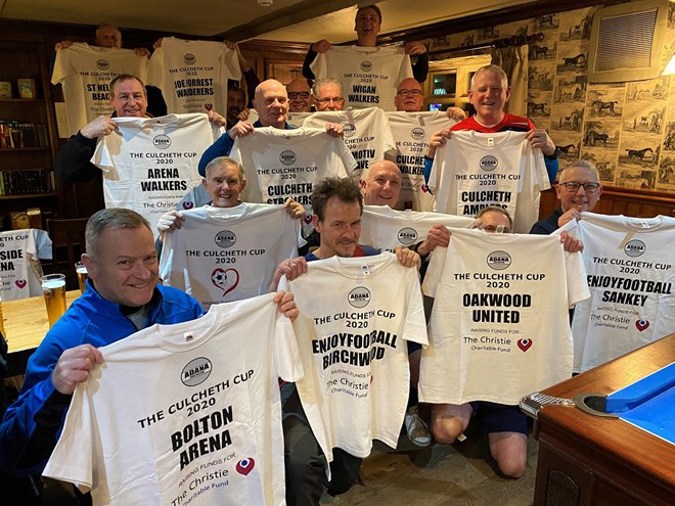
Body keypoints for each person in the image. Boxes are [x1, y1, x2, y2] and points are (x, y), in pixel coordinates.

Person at [0, 208, 298, 496]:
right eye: (125, 263)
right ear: (91, 266)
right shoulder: (67, 340)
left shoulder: (182, 306)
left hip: (199, 470)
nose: (143, 273)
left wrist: (268, 324)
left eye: (149, 258)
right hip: (130, 485)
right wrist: (54, 390)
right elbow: (14, 455)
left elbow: (231, 379)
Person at [270, 177, 420, 504]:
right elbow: (268, 335)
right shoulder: (300, 273)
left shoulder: (379, 263)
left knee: (341, 480)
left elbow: (404, 303)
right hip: (309, 387)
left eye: (355, 223)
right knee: (300, 464)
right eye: (338, 224)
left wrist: (409, 263)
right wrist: (277, 290)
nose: (349, 233)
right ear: (317, 224)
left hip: (359, 386)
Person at [427, 205, 582, 479]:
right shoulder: (454, 252)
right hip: (465, 377)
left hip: (509, 384)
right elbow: (427, 293)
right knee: (445, 432)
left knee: (514, 468)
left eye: (505, 230)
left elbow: (569, 302)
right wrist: (436, 247)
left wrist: (566, 253)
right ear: (474, 229)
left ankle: (490, 418)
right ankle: (466, 412)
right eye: (488, 228)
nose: (497, 234)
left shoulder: (537, 258)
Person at [425, 64, 559, 185]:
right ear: (471, 96)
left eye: (496, 89)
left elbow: (546, 180)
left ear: (507, 93)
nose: (488, 95)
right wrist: (431, 154)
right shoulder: (456, 133)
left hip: (512, 204)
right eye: (482, 89)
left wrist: (550, 153)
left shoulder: (524, 128)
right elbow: (434, 185)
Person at [198, 79, 342, 177]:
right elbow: (204, 169)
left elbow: (329, 169)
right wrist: (230, 136)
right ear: (256, 105)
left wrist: (331, 138)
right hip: (260, 211)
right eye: (269, 100)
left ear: (288, 104)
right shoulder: (243, 137)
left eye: (281, 100)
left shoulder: (299, 136)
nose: (277, 105)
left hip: (296, 210)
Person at [302, 5, 429, 84]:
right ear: (355, 25)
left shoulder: (394, 57)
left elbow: (418, 77)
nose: (367, 22)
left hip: (380, 118)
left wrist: (423, 54)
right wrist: (313, 49)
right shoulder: (336, 55)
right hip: (348, 118)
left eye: (372, 18)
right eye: (362, 18)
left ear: (379, 26)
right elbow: (308, 73)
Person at [530, 160, 603, 234]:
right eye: (573, 185)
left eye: (589, 186)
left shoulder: (603, 229)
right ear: (559, 191)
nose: (581, 193)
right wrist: (562, 231)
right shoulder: (541, 230)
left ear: (599, 193)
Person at [54, 23, 150, 56]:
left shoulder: (133, 57)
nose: (110, 40)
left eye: (114, 38)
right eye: (106, 37)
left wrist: (146, 57)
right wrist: (62, 52)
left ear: (120, 43)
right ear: (97, 42)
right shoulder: (84, 55)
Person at [395, 77, 465, 120]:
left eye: (415, 92)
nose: (410, 95)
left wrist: (461, 120)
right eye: (404, 92)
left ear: (421, 100)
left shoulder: (437, 121)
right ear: (395, 101)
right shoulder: (388, 123)